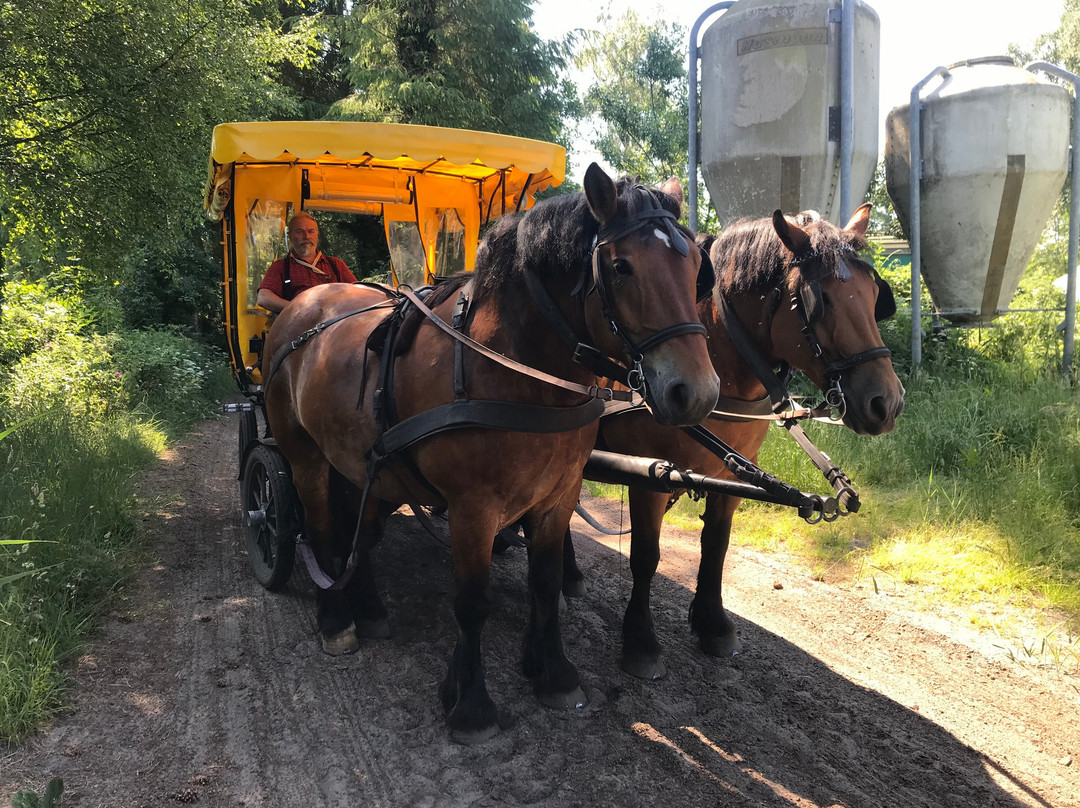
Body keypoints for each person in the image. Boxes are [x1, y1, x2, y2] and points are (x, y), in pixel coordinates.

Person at [256, 211, 357, 313]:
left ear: (317, 235)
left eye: (311, 231)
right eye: (299, 232)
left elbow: (358, 293)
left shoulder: (336, 264)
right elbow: (263, 297)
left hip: (334, 319)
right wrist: (297, 309)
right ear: (290, 236)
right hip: (298, 321)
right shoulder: (281, 267)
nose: (306, 236)